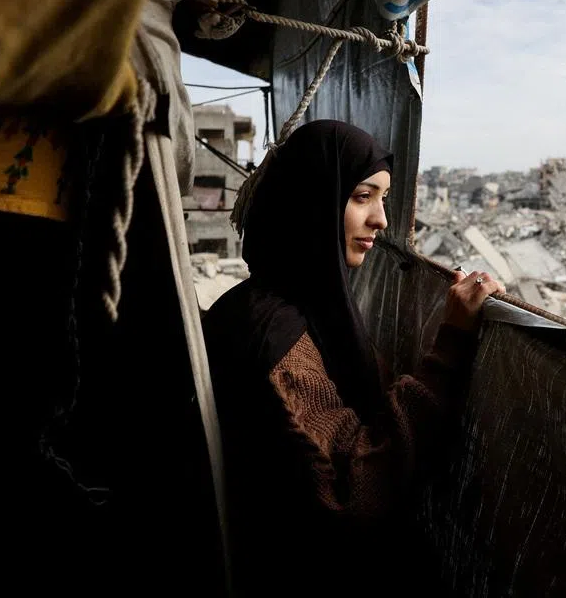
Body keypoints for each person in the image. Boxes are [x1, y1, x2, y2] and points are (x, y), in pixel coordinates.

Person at [202, 119, 503, 594]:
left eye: (382, 198)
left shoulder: (292, 308)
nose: (381, 220)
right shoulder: (271, 332)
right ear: (312, 200)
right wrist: (452, 341)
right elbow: (355, 487)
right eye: (362, 196)